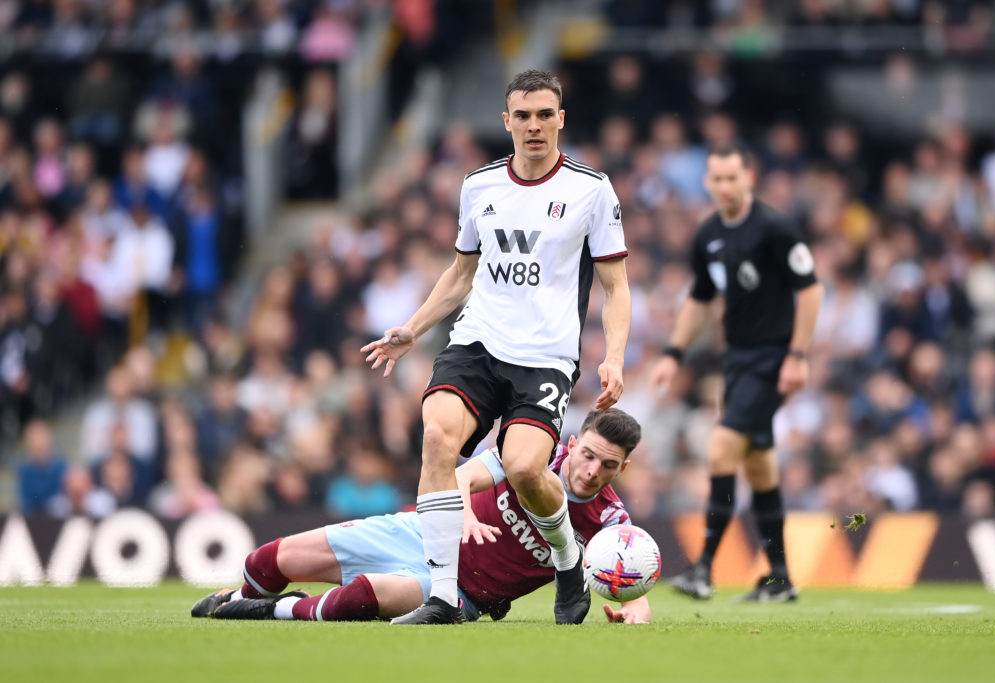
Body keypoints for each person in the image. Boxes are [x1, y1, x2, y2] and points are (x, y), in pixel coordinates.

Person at [359, 70, 631, 624]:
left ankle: (567, 562)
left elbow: (615, 285)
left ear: (561, 119)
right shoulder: (479, 185)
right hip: (478, 341)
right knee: (437, 436)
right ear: (507, 122)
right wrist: (413, 326)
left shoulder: (591, 189)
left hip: (546, 356)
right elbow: (462, 273)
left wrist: (615, 356)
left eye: (545, 115)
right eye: (523, 116)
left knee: (525, 467)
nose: (534, 126)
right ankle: (442, 596)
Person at [190, 409, 650, 624]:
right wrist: (466, 513)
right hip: (419, 533)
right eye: (588, 455)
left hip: (464, 592)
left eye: (608, 465)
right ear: (574, 442)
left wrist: (636, 615)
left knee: (363, 597)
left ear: (622, 468)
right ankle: (242, 596)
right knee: (266, 561)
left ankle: (274, 611)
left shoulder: (610, 518)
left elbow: (633, 580)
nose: (592, 471)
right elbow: (466, 474)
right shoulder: (531, 455)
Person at [650, 142, 823, 602]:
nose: (724, 186)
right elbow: (701, 299)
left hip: (773, 358)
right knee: (759, 466)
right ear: (707, 182)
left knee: (721, 447)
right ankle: (781, 578)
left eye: (733, 177)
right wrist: (673, 352)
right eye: (717, 179)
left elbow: (810, 291)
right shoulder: (708, 235)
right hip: (739, 361)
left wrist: (798, 355)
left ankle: (703, 569)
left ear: (750, 177)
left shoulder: (775, 228)